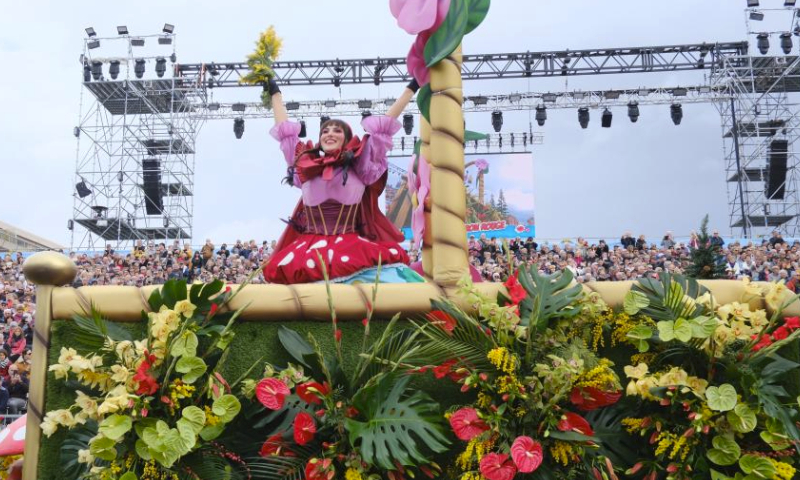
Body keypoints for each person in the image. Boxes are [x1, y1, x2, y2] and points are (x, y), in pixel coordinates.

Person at [263, 77, 423, 284]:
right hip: (308, 250)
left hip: (351, 247)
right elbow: (286, 134)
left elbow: (383, 127)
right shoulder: (305, 166)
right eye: (325, 131)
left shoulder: (361, 167)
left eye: (337, 131)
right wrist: (275, 94)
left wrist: (411, 88)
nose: (329, 134)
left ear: (347, 139)